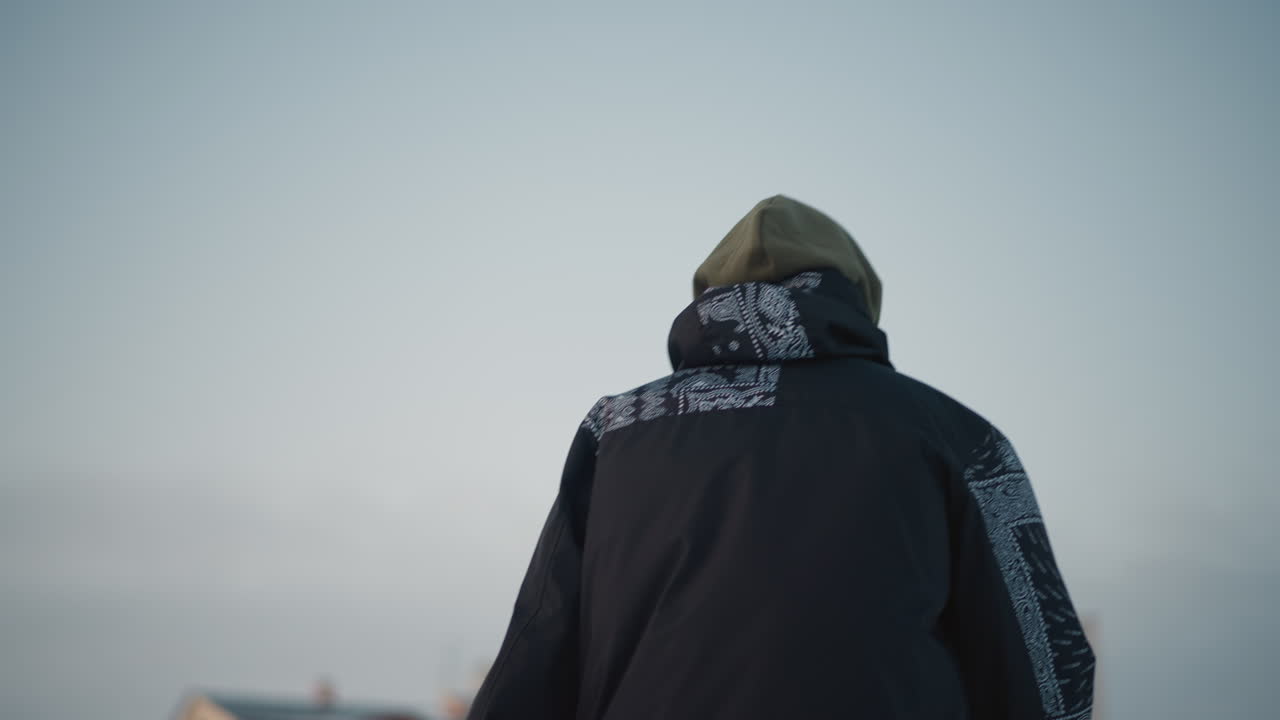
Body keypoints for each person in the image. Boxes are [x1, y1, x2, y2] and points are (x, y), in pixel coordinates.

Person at [467, 196, 1096, 720]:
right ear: (856, 300)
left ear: (711, 297)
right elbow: (1049, 666)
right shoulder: (957, 437)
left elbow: (538, 648)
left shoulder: (618, 429)